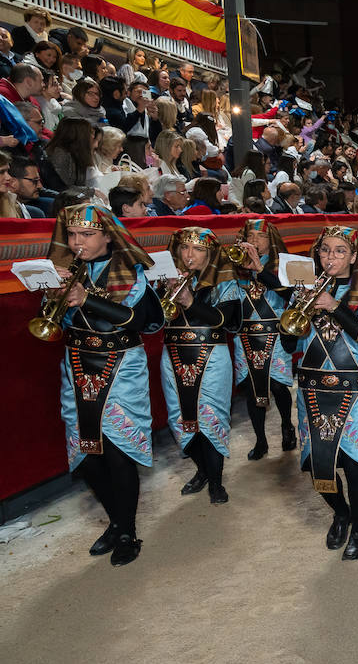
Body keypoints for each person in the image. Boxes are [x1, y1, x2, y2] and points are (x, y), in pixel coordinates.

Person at [46, 202, 162, 566]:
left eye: (87, 234)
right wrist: (52, 295)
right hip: (77, 364)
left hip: (121, 364)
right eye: (73, 235)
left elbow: (137, 320)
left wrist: (87, 298)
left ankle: (127, 531)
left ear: (107, 235)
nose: (78, 242)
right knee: (86, 456)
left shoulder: (130, 268)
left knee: (118, 452)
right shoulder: (65, 269)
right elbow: (54, 323)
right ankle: (116, 521)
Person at [286, 226, 358, 560]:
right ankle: (340, 512)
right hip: (312, 389)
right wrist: (299, 308)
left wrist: (334, 306)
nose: (331, 257)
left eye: (340, 251)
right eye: (325, 250)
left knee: (356, 467)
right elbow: (289, 343)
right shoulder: (304, 291)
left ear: (354, 257)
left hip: (355, 392)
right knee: (318, 467)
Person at [159, 228, 244, 505]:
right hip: (172, 354)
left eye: (197, 249)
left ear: (210, 254)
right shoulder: (169, 279)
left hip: (211, 355)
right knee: (180, 419)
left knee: (211, 419)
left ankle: (216, 481)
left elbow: (224, 319)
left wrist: (191, 301)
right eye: (184, 248)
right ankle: (203, 470)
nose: (188, 255)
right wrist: (163, 289)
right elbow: (153, 318)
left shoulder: (226, 281)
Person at [231, 219, 297, 461]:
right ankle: (260, 439)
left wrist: (260, 268)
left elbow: (290, 293)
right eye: (250, 235)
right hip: (246, 337)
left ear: (272, 241)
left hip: (276, 334)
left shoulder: (283, 265)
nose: (255, 241)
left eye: (260, 237)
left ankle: (287, 425)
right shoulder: (235, 265)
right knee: (251, 389)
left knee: (278, 385)